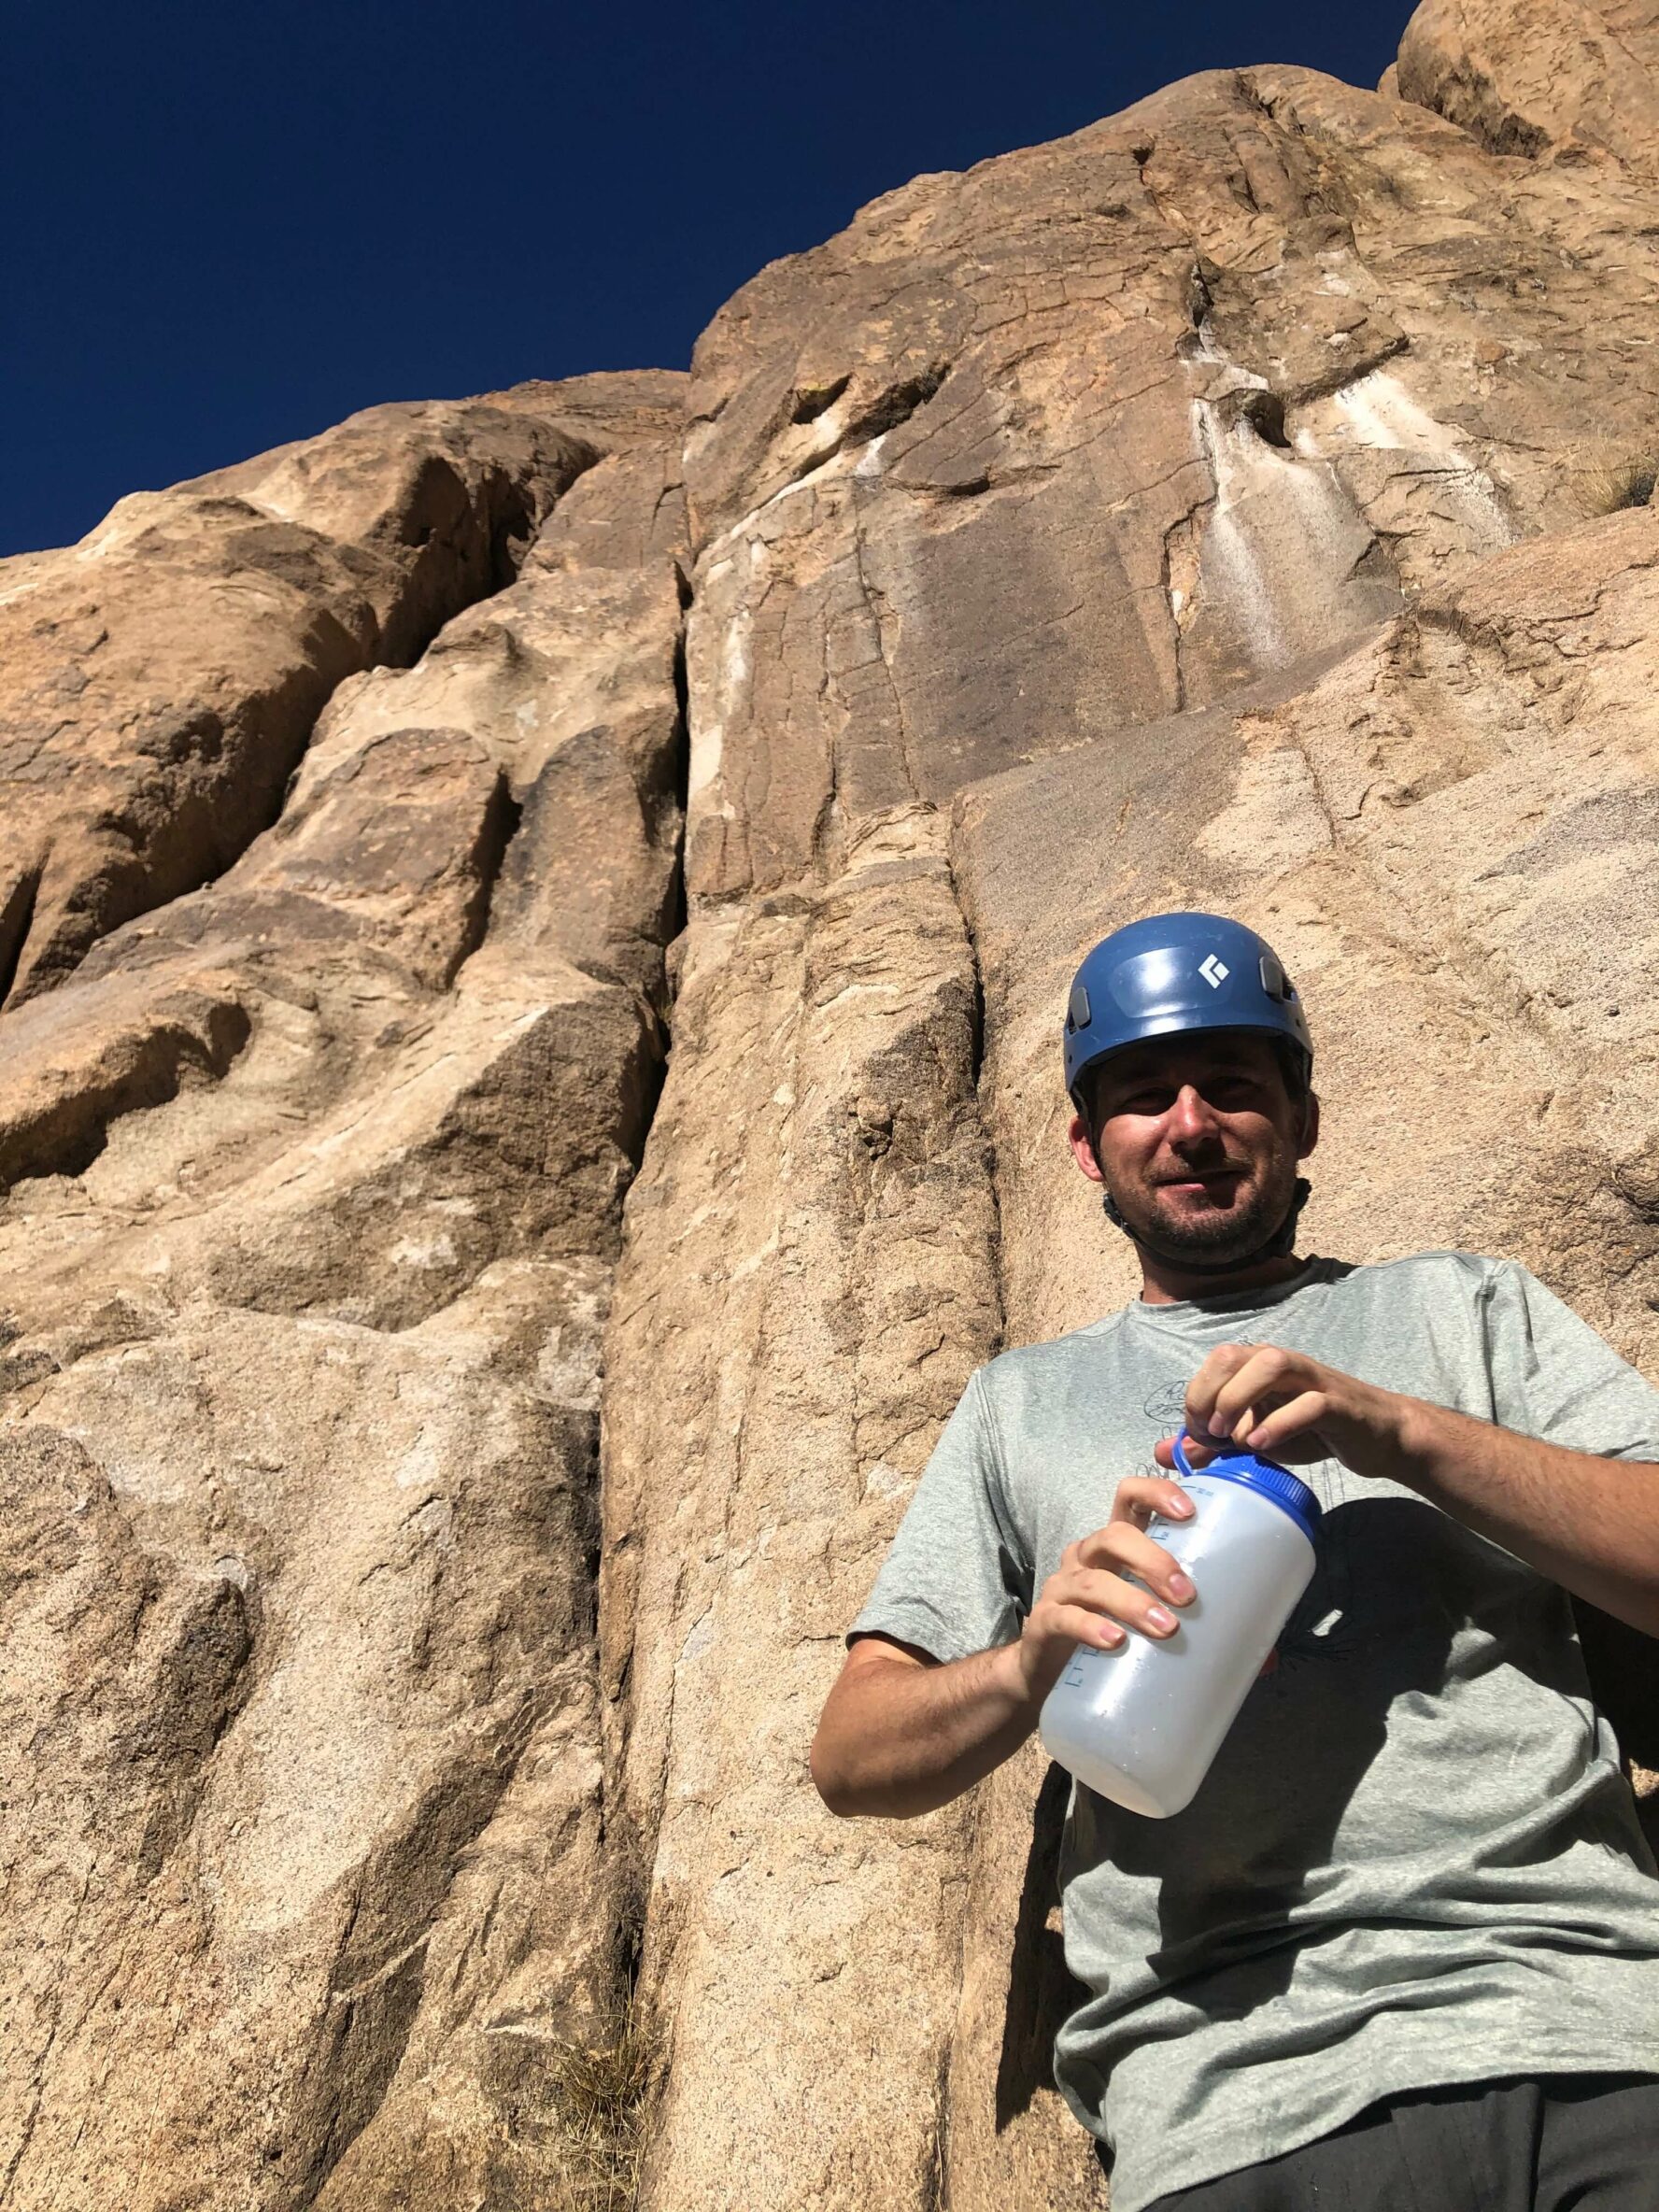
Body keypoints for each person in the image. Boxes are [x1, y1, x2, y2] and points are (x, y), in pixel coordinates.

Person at [810, 911, 1659, 2212]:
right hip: (1229, 2092)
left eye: (1232, 1085)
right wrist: (1034, 1661)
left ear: (1303, 1119)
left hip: (1583, 2024)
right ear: (1087, 1148)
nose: (1191, 1124)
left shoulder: (1465, 1306)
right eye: (1144, 1096)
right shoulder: (1018, 1404)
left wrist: (1399, 1431)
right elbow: (853, 1761)